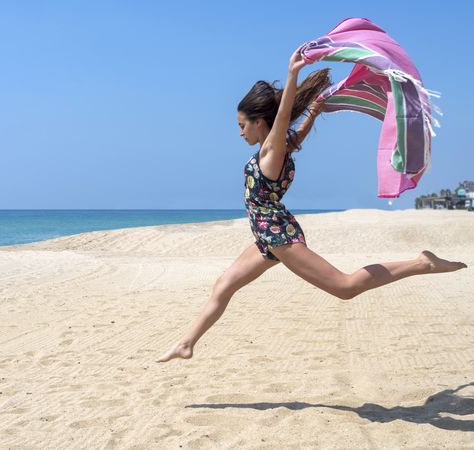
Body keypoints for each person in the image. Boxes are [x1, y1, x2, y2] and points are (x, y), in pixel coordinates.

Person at [156, 44, 467, 363]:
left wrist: (293, 74)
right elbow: (296, 134)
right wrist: (315, 110)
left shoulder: (271, 152)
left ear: (260, 123)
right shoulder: (283, 149)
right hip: (267, 235)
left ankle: (421, 262)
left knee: (345, 287)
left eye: (242, 125)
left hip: (279, 235)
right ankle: (187, 343)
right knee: (224, 285)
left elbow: (283, 116)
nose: (240, 132)